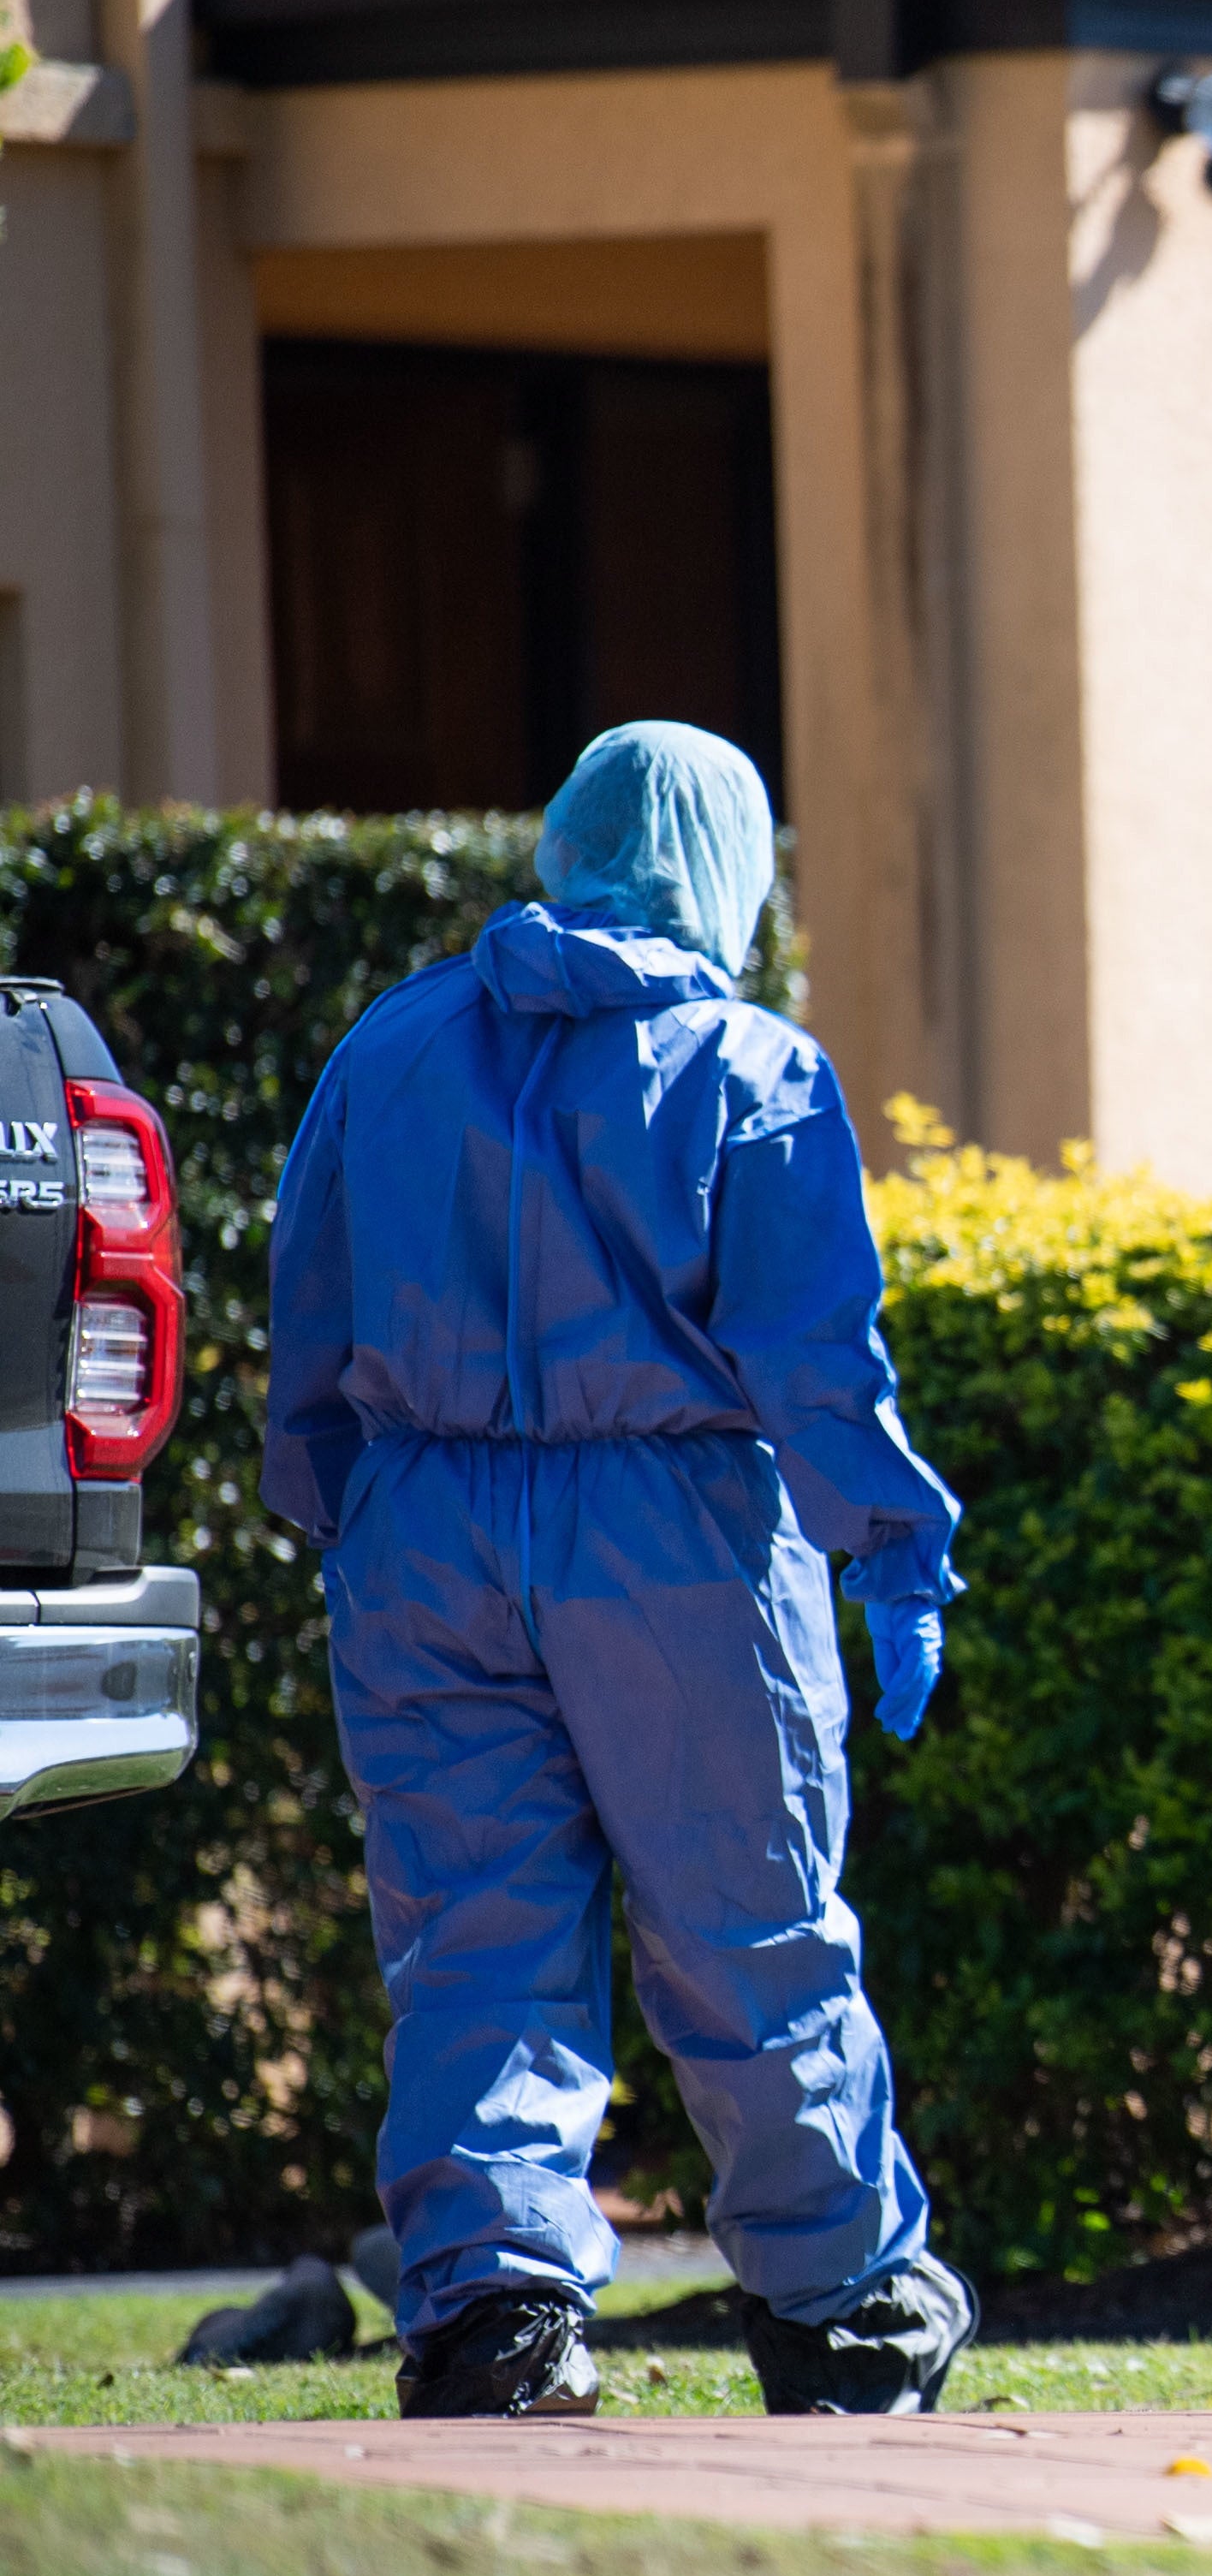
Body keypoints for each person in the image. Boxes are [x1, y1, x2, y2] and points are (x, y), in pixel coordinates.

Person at [265, 722, 974, 2420]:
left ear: (561, 843)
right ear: (732, 868)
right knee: (749, 1925)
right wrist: (892, 1544)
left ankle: (495, 2313)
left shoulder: (393, 1043)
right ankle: (839, 2298)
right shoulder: (752, 1066)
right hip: (681, 1537)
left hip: (424, 1534)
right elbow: (816, 1358)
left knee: (474, 1933)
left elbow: (309, 1296)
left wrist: (342, 1510)